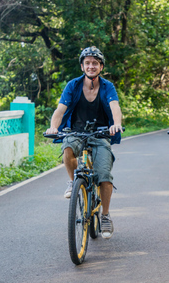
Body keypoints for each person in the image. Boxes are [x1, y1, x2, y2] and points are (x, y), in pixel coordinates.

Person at [46, 46, 123, 238]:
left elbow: (115, 106)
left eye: (95, 63)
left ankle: (104, 216)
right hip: (76, 132)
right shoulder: (73, 85)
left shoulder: (107, 87)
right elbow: (60, 110)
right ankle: (73, 182)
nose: (91, 66)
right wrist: (53, 127)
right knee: (68, 149)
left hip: (101, 134)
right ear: (82, 66)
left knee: (104, 175)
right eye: (87, 63)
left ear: (101, 67)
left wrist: (116, 124)